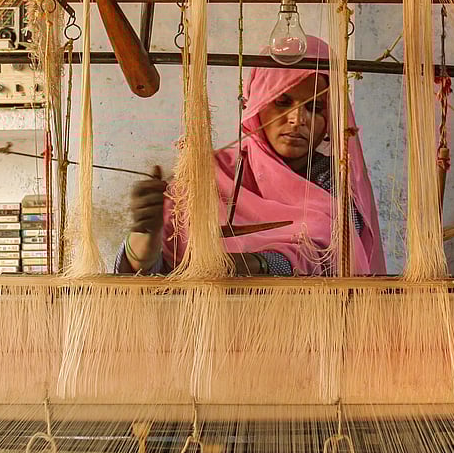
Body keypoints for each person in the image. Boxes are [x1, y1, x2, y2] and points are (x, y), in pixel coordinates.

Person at [117, 35, 386, 278]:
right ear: (257, 105)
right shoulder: (206, 176)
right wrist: (143, 245)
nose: (297, 119)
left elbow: (334, 256)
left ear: (328, 120)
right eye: (282, 102)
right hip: (208, 325)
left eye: (314, 108)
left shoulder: (336, 183)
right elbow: (157, 274)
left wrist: (260, 264)